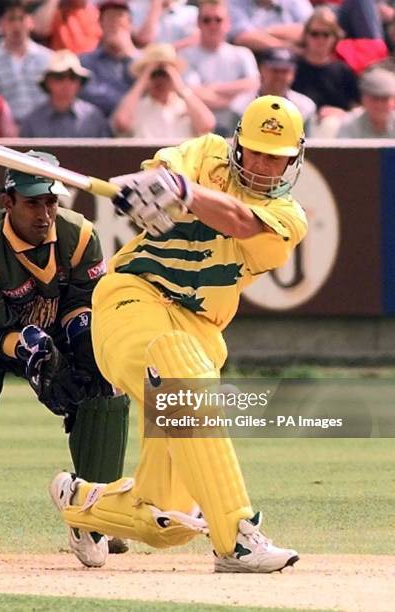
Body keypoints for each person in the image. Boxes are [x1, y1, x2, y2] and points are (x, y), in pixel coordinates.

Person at [49, 95, 307, 573]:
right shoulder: (206, 152)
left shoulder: (288, 219)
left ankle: (82, 504)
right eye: (257, 152)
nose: (267, 166)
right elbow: (162, 168)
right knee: (177, 360)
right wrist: (151, 183)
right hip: (133, 301)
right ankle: (236, 537)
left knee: (165, 522)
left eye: (279, 158)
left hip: (202, 330)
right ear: (237, 147)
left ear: (294, 160)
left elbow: (236, 220)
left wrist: (183, 193)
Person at [0, 150, 130, 566]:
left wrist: (83, 341)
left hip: (56, 333)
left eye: (51, 202)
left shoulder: (82, 235)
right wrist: (31, 348)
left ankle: (98, 517)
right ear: (8, 201)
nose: (45, 213)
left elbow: (84, 302)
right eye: (33, 202)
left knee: (106, 388)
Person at [179, 0, 259, 136]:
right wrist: (234, 101)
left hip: (240, 131)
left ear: (228, 23)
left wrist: (213, 88)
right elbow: (193, 92)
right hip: (199, 132)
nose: (213, 25)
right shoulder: (185, 55)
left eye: (218, 20)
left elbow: (253, 84)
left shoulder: (243, 54)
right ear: (198, 23)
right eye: (207, 20)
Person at [111, 42, 215, 138]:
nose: (159, 80)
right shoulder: (135, 108)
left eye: (164, 74)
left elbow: (207, 125)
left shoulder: (187, 106)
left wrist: (180, 87)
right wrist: (142, 81)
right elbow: (121, 123)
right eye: (155, 75)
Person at [0, 0, 51, 127]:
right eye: (11, 19)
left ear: (31, 22)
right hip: (4, 135)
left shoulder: (49, 59)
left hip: (43, 131)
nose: (16, 25)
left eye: (21, 18)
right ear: (1, 24)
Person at [292, 7, 360, 137]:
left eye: (326, 34)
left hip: (335, 134)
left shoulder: (343, 71)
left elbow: (358, 110)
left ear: (335, 37)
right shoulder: (292, 67)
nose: (320, 39)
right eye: (315, 34)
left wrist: (340, 113)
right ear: (306, 35)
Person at [20, 49, 111, 137]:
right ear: (48, 82)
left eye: (73, 77)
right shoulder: (33, 121)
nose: (66, 83)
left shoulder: (94, 118)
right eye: (59, 77)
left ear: (79, 83)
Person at [230, 47, 316, 134]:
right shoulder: (241, 106)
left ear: (293, 73)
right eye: (275, 70)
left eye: (284, 71)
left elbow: (307, 144)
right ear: (262, 69)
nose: (279, 76)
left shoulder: (305, 107)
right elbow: (235, 143)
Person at [79, 0, 138, 117]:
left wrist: (129, 54)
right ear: (101, 24)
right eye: (109, 18)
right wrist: (132, 101)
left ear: (130, 24)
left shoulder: (145, 61)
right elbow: (91, 96)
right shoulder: (85, 62)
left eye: (119, 17)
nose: (114, 23)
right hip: (98, 126)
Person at [228, 0, 313, 52]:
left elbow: (311, 29)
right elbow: (242, 38)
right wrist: (287, 47)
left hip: (293, 62)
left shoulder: (295, 2)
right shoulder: (235, 2)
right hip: (254, 59)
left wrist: (261, 33)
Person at [338, 67, 395, 137]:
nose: (379, 104)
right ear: (363, 99)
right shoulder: (350, 123)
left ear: (393, 101)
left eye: (385, 99)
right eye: (375, 98)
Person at [32, 0, 101, 54]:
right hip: (63, 65)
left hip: (91, 65)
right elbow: (39, 29)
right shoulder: (56, 12)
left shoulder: (97, 13)